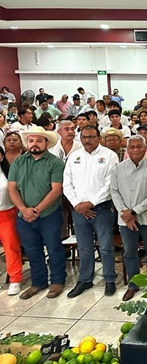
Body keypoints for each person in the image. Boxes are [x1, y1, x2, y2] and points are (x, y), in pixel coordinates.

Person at [7, 127, 66, 299]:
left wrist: (37, 209)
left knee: (54, 248)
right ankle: (38, 282)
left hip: (49, 214)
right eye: (31, 141)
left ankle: (57, 281)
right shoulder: (18, 162)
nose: (34, 144)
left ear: (46, 143)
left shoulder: (55, 162)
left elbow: (56, 190)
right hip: (24, 216)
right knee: (32, 250)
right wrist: (23, 209)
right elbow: (12, 188)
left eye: (39, 140)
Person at [63, 125, 119, 298]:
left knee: (106, 247)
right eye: (84, 137)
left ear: (99, 138)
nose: (87, 140)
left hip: (101, 208)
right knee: (84, 247)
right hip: (79, 210)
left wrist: (91, 203)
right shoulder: (74, 156)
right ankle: (85, 279)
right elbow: (67, 183)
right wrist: (78, 204)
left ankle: (109, 279)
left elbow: (110, 184)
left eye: (91, 137)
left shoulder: (109, 156)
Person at [111, 135, 147, 301]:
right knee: (129, 252)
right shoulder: (119, 168)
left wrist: (133, 212)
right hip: (125, 219)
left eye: (138, 146)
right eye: (131, 147)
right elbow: (114, 191)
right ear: (127, 149)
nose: (135, 150)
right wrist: (125, 213)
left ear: (145, 147)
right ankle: (133, 284)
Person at [0, 146, 22, 295]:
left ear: (2, 156)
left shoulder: (8, 173)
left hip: (6, 214)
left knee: (11, 247)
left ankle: (15, 279)